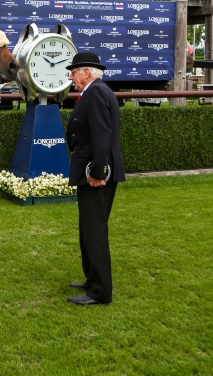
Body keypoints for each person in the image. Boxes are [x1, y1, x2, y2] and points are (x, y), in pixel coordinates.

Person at [65, 52, 126, 306]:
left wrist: (98, 172)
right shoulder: (95, 90)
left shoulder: (97, 92)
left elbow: (102, 135)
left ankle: (99, 292)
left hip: (95, 174)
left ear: (86, 72)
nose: (71, 76)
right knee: (88, 231)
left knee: (95, 231)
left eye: (74, 72)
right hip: (89, 172)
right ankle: (92, 280)